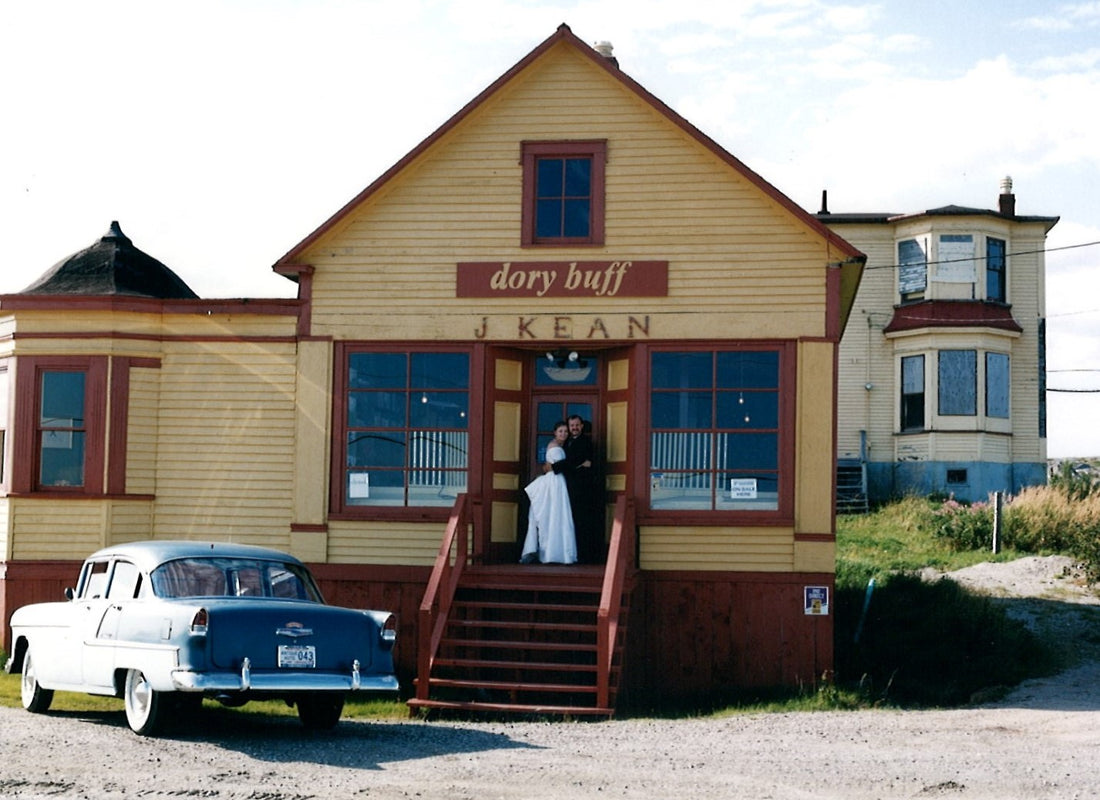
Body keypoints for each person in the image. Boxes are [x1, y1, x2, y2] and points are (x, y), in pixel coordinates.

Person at [520, 421, 577, 564]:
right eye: (560, 431)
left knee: (557, 515)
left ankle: (556, 551)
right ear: (555, 433)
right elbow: (558, 465)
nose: (563, 434)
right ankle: (555, 552)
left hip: (558, 480)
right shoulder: (554, 447)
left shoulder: (561, 446)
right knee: (555, 515)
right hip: (555, 482)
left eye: (565, 431)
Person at [552, 415, 604, 564]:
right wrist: (579, 464)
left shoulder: (585, 442)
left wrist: (554, 467)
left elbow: (573, 459)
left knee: (582, 522)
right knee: (568, 521)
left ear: (582, 426)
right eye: (571, 425)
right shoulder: (566, 442)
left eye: (577, 425)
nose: (574, 428)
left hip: (582, 490)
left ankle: (584, 557)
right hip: (567, 487)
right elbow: (574, 462)